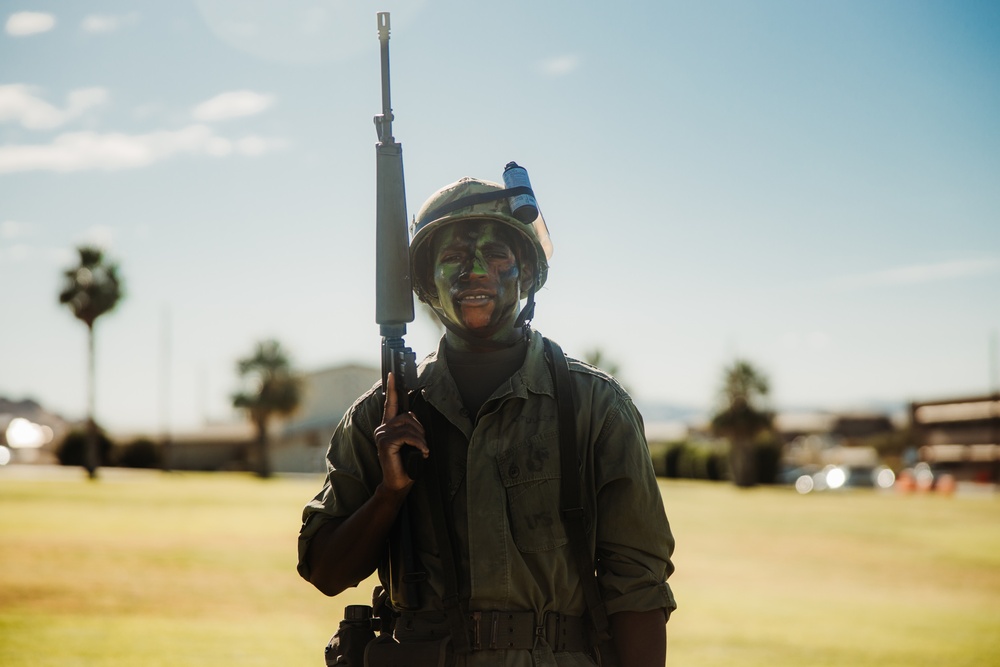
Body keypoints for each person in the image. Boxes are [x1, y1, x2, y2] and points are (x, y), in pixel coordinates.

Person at [298, 175, 676, 666]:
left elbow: (638, 587)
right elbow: (324, 570)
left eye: (497, 256)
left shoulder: (594, 407)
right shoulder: (383, 414)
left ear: (527, 274)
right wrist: (388, 494)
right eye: (452, 258)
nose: (475, 272)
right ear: (425, 284)